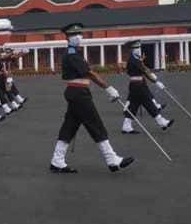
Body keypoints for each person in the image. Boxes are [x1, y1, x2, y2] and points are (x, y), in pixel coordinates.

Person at [49, 23, 134, 173]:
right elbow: (89, 73)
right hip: (79, 93)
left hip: (76, 92)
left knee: (69, 127)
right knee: (96, 124)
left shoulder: (74, 52)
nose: (78, 37)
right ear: (68, 37)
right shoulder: (72, 54)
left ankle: (57, 161)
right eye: (74, 35)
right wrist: (107, 88)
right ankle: (112, 159)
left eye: (80, 34)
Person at [121, 39, 174, 134]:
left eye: (139, 47)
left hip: (136, 85)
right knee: (148, 103)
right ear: (133, 50)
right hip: (138, 86)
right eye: (137, 48)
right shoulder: (134, 60)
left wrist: (153, 76)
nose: (138, 49)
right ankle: (162, 122)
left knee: (133, 106)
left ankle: (126, 126)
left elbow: (144, 69)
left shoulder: (136, 59)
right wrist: (156, 82)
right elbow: (145, 72)